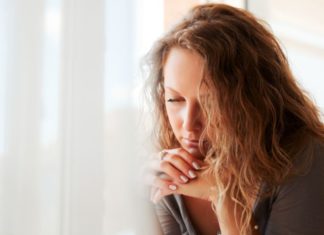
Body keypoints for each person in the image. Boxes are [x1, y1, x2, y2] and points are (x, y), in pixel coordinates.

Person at [143, 3, 324, 235]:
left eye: (211, 104)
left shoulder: (305, 162)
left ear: (253, 99)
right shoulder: (170, 170)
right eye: (175, 100)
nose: (188, 125)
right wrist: (141, 204)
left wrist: (225, 201)